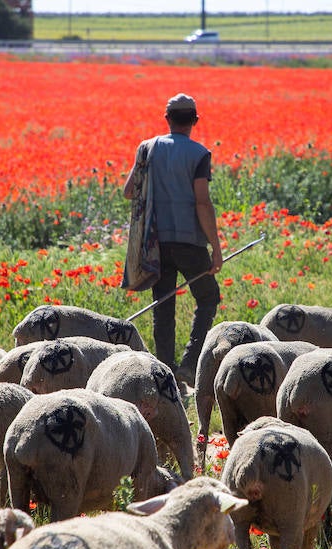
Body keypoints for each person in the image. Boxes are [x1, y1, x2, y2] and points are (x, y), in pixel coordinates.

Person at [123, 93, 223, 388]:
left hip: (155, 243)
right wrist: (216, 248)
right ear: (194, 121)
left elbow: (129, 191)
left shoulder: (147, 148)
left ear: (167, 119)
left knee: (162, 305)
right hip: (190, 243)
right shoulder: (199, 153)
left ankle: (165, 375)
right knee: (207, 297)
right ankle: (190, 364)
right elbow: (202, 203)